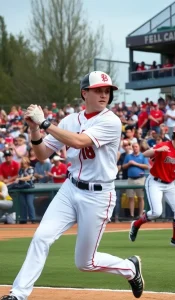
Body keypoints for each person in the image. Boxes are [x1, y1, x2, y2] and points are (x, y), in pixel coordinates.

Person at [1, 71, 144, 300]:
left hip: (98, 195)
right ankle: (18, 294)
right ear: (84, 93)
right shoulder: (70, 121)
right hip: (70, 188)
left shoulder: (111, 120)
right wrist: (34, 129)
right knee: (41, 237)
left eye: (107, 91)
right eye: (98, 90)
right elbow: (41, 153)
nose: (104, 94)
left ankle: (130, 268)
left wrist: (45, 122)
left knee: (85, 263)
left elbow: (79, 141)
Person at [129, 124, 175, 248]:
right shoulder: (164, 145)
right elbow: (145, 154)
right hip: (155, 182)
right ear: (174, 134)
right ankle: (136, 224)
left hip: (170, 184)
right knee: (156, 212)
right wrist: (157, 150)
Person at [122, 143, 149, 219]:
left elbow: (147, 166)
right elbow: (123, 166)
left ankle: (140, 215)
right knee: (131, 197)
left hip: (140, 178)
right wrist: (129, 164)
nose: (135, 148)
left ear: (139, 147)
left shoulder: (143, 156)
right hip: (130, 179)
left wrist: (136, 164)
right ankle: (132, 215)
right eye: (133, 147)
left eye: (136, 146)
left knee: (141, 197)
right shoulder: (128, 156)